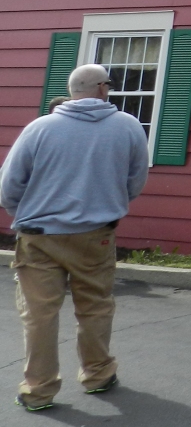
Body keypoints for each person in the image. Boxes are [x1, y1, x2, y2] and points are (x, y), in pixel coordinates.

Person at [1, 64, 149, 412]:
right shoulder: (128, 127)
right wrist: (109, 202)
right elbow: (136, 180)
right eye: (108, 85)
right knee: (95, 307)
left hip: (39, 236)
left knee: (39, 315)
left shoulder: (40, 128)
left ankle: (38, 391)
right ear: (100, 88)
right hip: (95, 235)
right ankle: (98, 375)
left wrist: (24, 211)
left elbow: (8, 186)